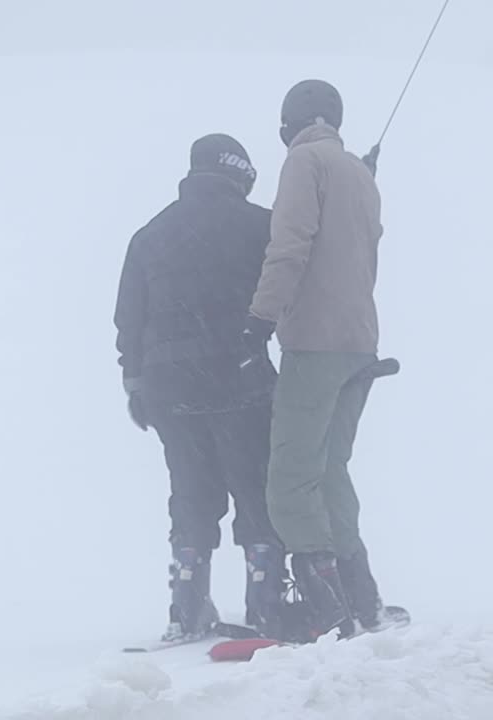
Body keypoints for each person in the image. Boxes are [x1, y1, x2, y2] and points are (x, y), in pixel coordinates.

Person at [115, 134, 286, 642]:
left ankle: (187, 606)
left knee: (190, 490)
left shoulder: (149, 235)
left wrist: (135, 382)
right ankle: (266, 601)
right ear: (239, 173)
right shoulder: (260, 225)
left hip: (168, 388)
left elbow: (129, 318)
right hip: (239, 378)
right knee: (255, 488)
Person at [242, 80, 397, 641]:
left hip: (314, 343)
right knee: (331, 471)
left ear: (291, 122)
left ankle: (327, 611)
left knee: (289, 480)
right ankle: (363, 598)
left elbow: (290, 245)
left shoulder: (303, 163)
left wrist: (260, 319)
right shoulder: (358, 172)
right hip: (361, 342)